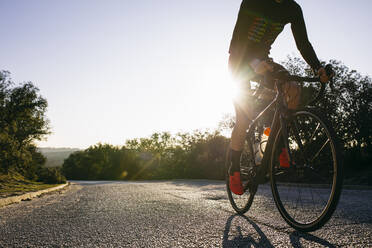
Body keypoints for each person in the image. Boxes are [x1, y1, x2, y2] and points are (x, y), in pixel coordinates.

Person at [228, 0, 332, 195]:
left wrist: (318, 68)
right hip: (239, 60)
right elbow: (237, 41)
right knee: (244, 115)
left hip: (263, 60)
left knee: (293, 88)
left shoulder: (292, 9)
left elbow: (303, 43)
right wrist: (253, 62)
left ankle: (278, 147)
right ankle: (233, 170)